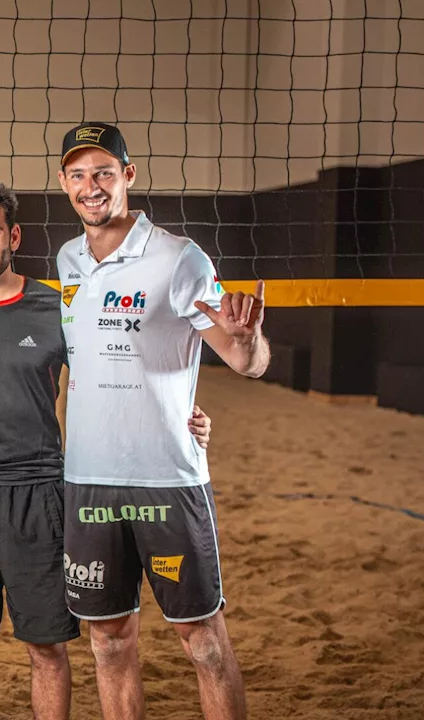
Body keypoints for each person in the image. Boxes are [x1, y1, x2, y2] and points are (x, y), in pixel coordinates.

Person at [0, 176, 213, 720]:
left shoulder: (59, 308)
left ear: (15, 236)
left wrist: (184, 416)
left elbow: (122, 374)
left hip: (44, 494)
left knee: (47, 647)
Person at [55, 122, 268, 720]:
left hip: (168, 480)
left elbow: (244, 362)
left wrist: (248, 340)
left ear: (128, 175)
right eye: (77, 174)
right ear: (64, 183)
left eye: (103, 172)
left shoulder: (178, 257)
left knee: (203, 643)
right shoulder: (68, 258)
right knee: (108, 640)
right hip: (89, 481)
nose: (90, 186)